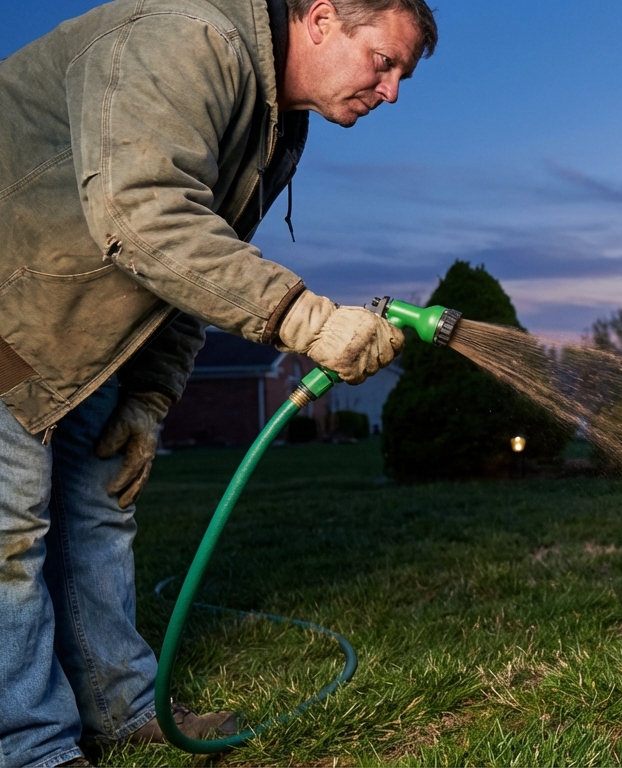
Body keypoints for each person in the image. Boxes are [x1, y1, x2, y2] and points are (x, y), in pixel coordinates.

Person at [0, 0, 437, 764]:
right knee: (9, 534)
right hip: (11, 305)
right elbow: (143, 214)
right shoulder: (189, 37)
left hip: (77, 322)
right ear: (324, 18)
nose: (393, 91)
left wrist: (148, 399)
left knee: (100, 503)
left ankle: (121, 710)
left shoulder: (277, 128)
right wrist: (305, 319)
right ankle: (32, 746)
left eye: (402, 74)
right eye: (385, 61)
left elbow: (195, 268)